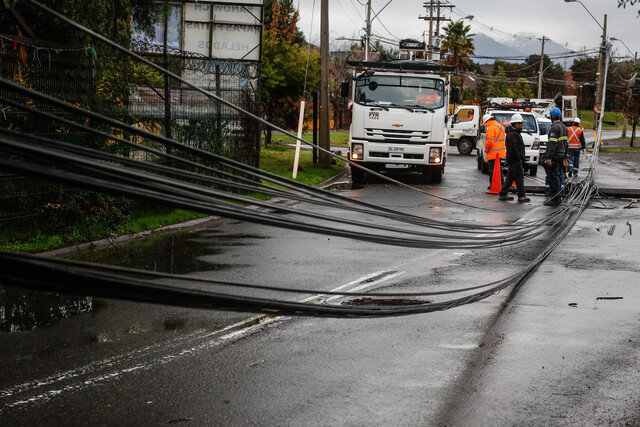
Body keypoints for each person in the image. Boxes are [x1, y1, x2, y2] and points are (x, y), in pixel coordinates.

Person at [498, 114, 530, 202]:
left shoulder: (513, 134)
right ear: (514, 124)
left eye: (521, 123)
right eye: (519, 123)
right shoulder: (513, 135)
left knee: (510, 177)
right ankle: (521, 195)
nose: (521, 125)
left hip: (513, 160)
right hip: (515, 160)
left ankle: (503, 193)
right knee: (519, 177)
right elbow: (513, 149)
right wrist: (519, 158)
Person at [543, 107, 568, 206]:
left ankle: (555, 198)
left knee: (553, 177)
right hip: (561, 155)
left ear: (552, 116)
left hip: (555, 155)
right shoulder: (564, 127)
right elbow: (566, 144)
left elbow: (552, 144)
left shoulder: (554, 128)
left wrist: (549, 157)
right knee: (557, 176)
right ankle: (557, 197)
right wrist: (565, 157)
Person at [483, 113, 506, 189]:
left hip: (493, 152)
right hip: (500, 152)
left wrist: (486, 150)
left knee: (492, 170)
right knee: (499, 169)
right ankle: (501, 183)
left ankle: (493, 185)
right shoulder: (500, 126)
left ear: (486, 121)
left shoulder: (491, 128)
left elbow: (490, 142)